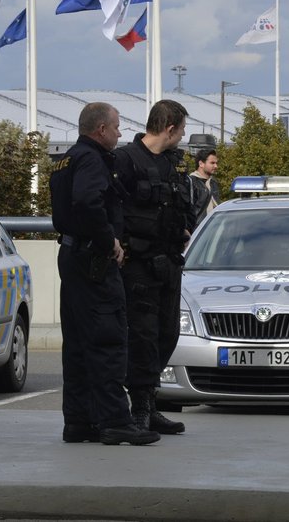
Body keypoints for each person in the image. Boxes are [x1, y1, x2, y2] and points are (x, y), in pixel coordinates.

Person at [49, 103, 160, 446]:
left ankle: (80, 421)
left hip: (72, 255)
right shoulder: (92, 159)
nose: (120, 133)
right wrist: (108, 239)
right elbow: (87, 202)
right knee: (107, 338)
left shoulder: (67, 159)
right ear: (100, 130)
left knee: (79, 344)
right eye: (116, 127)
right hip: (92, 259)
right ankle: (115, 421)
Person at [114, 99, 194, 436]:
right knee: (143, 338)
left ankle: (151, 400)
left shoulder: (171, 164)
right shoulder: (125, 160)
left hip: (168, 263)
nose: (183, 136)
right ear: (170, 127)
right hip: (139, 266)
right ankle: (140, 410)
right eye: (182, 129)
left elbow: (182, 207)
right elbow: (112, 208)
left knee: (167, 334)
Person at [189, 148, 221, 226]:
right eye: (212, 163)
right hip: (198, 230)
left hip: (213, 228)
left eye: (216, 163)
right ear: (201, 164)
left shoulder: (213, 183)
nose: (216, 166)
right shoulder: (191, 182)